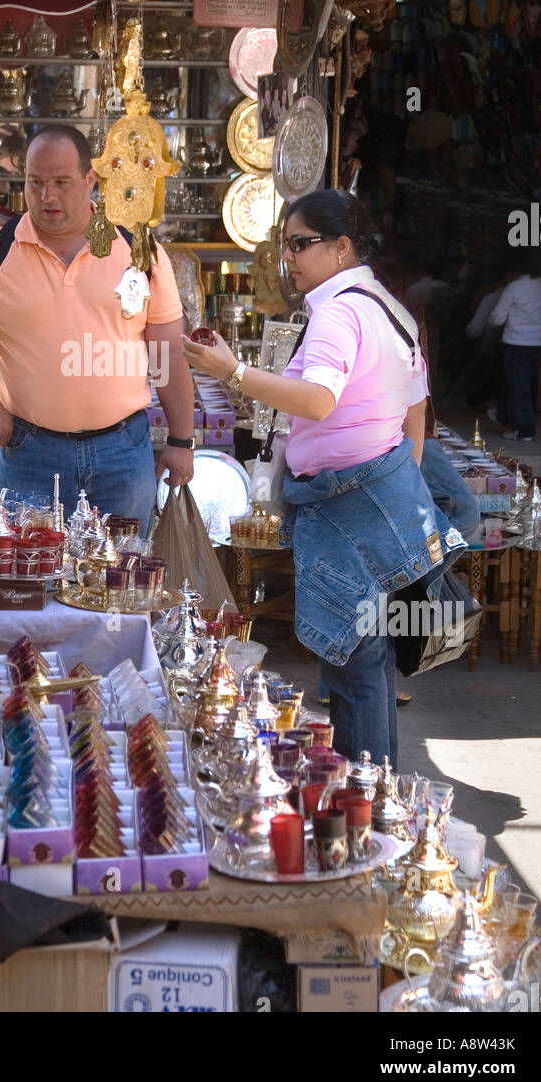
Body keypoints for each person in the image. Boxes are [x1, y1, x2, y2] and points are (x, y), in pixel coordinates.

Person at [183, 190, 465, 766]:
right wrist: (391, 492)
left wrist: (232, 371)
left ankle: (365, 808)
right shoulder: (391, 308)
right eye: (285, 244)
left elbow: (316, 400)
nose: (288, 257)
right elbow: (416, 417)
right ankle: (376, 796)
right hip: (379, 498)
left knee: (356, 663)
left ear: (341, 247)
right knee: (371, 662)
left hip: (345, 504)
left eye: (299, 244)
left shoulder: (339, 311)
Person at [0, 124, 195, 533]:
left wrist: (181, 442)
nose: (47, 196)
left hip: (123, 453)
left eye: (61, 183)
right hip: (30, 452)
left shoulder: (140, 254)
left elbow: (167, 355)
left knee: (116, 585)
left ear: (90, 181)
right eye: (36, 183)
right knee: (29, 582)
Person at [485, 248, 541, 442]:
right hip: (540, 344)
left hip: (517, 343)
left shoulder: (514, 288)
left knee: (518, 387)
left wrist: (489, 319)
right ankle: (504, 416)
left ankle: (524, 430)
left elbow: (497, 318)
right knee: (519, 384)